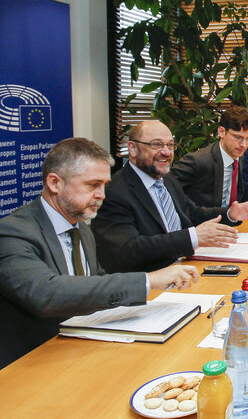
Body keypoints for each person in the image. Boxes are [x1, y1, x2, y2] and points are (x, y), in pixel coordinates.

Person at [0, 138, 200, 369]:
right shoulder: (12, 232)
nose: (102, 195)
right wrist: (147, 280)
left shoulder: (82, 230)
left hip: (81, 348)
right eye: (92, 185)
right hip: (31, 363)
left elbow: (95, 284)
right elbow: (45, 293)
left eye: (104, 184)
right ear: (55, 183)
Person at [91, 120, 248, 273]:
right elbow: (127, 250)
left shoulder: (166, 178)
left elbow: (190, 212)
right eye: (156, 145)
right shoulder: (114, 191)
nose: (166, 152)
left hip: (184, 267)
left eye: (170, 145)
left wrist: (230, 214)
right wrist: (192, 237)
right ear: (133, 148)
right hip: (151, 281)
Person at [171, 106, 248, 208]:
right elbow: (166, 188)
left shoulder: (239, 157)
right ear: (221, 132)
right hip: (204, 221)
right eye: (237, 137)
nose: (243, 145)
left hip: (231, 220)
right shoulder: (198, 161)